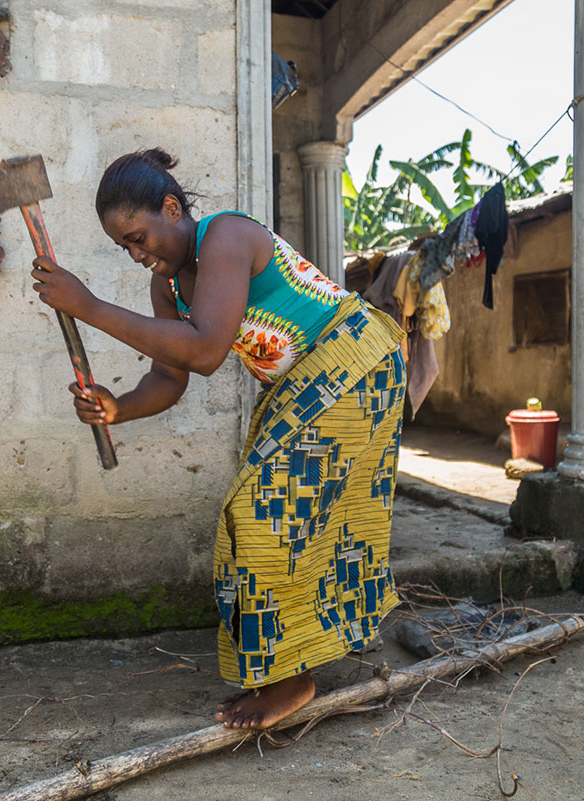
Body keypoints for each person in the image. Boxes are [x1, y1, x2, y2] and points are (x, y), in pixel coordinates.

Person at [30, 148, 406, 730]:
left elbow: (205, 350)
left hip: (354, 357)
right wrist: (119, 407)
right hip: (304, 381)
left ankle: (292, 676)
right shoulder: (168, 288)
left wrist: (90, 307)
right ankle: (306, 651)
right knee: (294, 517)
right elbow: (169, 377)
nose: (137, 253)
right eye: (124, 247)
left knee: (264, 511)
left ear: (171, 208)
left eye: (138, 237)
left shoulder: (225, 236)